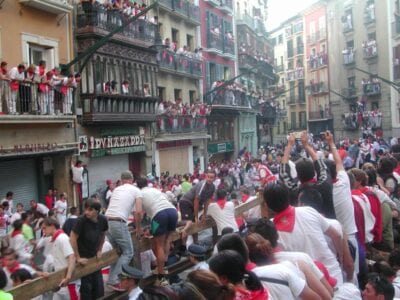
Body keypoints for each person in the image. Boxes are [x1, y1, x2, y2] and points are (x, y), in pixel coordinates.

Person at [264, 182, 344, 285]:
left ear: (267, 205)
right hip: (333, 273)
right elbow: (336, 235)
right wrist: (341, 257)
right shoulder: (308, 210)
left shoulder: (270, 231)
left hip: (311, 286)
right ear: (288, 195)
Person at [280, 132, 335, 218]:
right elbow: (322, 167)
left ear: (297, 176)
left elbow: (284, 174)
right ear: (314, 172)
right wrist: (306, 145)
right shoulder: (324, 185)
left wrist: (289, 145)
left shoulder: (294, 191)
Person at [105, 170, 143, 292]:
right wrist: (138, 228)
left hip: (107, 221)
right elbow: (138, 211)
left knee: (118, 252)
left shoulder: (116, 189)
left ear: (121, 180)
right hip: (118, 221)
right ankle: (114, 280)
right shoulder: (136, 190)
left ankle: (111, 280)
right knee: (128, 252)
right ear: (132, 180)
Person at [136, 176, 177, 284]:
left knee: (158, 245)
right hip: (172, 211)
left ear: (137, 185)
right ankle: (163, 266)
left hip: (159, 214)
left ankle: (160, 275)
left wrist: (139, 229)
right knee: (167, 241)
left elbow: (139, 213)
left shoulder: (139, 194)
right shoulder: (154, 189)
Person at [70, 198, 108, 299]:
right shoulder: (81, 220)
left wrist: (100, 249)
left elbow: (103, 234)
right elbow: (73, 237)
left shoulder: (103, 220)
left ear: (97, 211)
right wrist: (78, 257)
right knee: (86, 289)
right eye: (85, 209)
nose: (87, 212)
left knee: (98, 288)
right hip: (83, 259)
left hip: (94, 257)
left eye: (90, 210)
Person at [41, 217, 76, 300]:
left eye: (44, 228)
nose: (43, 231)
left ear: (52, 226)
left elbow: (71, 257)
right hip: (60, 281)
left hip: (68, 282)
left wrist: (68, 277)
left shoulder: (62, 238)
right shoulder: (54, 239)